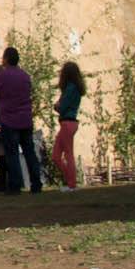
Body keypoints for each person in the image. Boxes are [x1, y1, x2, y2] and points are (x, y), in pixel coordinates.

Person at [0, 47, 44, 194]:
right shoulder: (25, 76)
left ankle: (15, 185)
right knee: (29, 152)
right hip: (25, 119)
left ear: (6, 59)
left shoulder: (2, 76)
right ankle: (36, 183)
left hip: (9, 120)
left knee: (12, 154)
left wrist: (1, 98)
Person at [52, 61, 84, 189]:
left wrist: (57, 106)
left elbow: (61, 107)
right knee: (56, 156)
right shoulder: (74, 88)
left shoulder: (71, 88)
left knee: (68, 154)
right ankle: (70, 180)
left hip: (67, 122)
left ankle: (72, 184)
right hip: (68, 123)